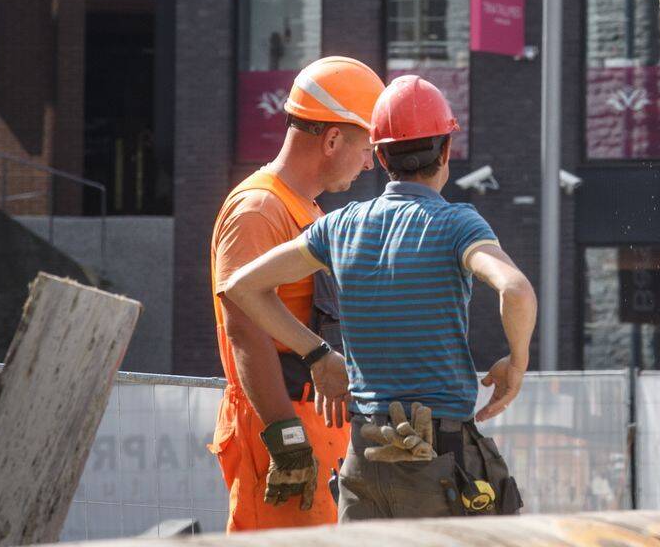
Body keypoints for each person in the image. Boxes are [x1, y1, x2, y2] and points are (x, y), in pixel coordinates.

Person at [223, 74, 537, 521]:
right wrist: (516, 363)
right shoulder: (457, 224)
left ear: (382, 155)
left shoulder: (340, 226)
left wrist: (316, 353)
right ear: (445, 151)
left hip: (364, 461)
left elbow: (241, 286)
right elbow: (516, 289)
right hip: (440, 459)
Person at [207, 55, 382, 531]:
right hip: (281, 428)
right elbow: (243, 329)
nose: (370, 162)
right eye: (367, 147)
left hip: (313, 424)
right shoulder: (259, 210)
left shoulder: (302, 209)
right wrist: (285, 437)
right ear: (332, 139)